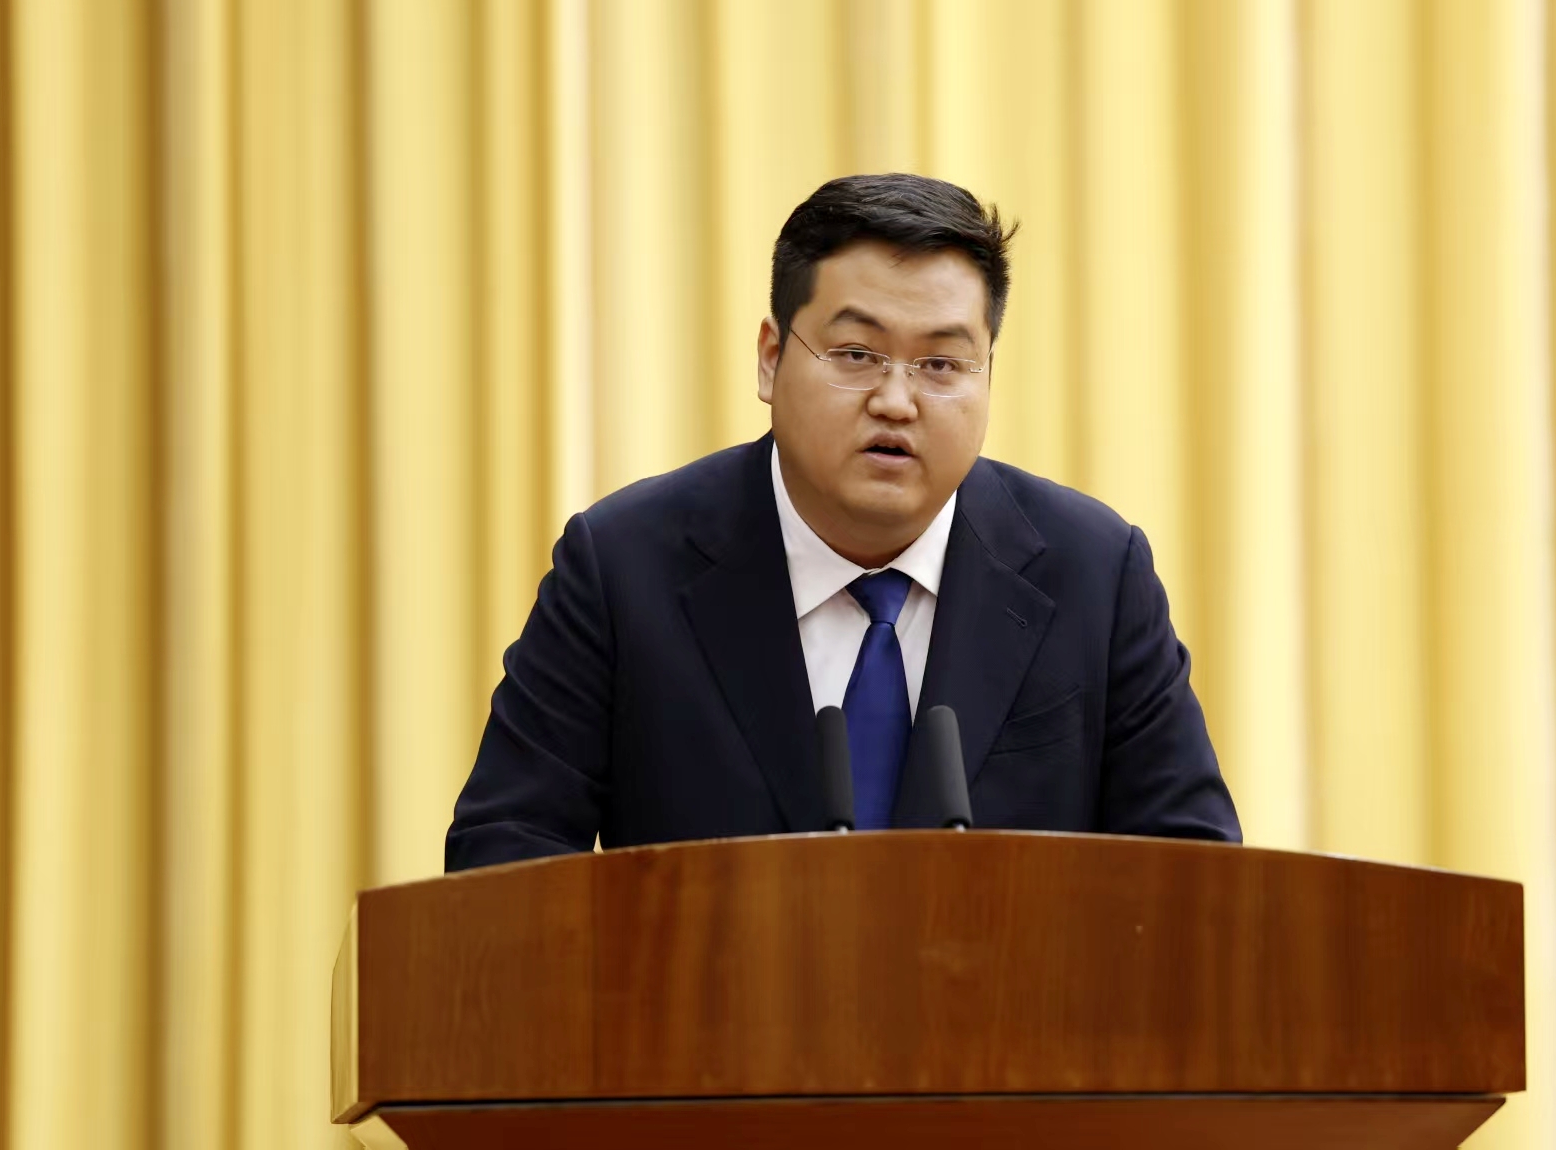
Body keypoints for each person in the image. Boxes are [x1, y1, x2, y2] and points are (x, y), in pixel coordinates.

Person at [445, 173, 1240, 868]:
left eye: (941, 364)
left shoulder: (1094, 574)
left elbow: (1194, 875)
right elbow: (506, 853)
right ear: (771, 358)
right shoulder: (622, 569)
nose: (896, 400)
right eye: (857, 354)